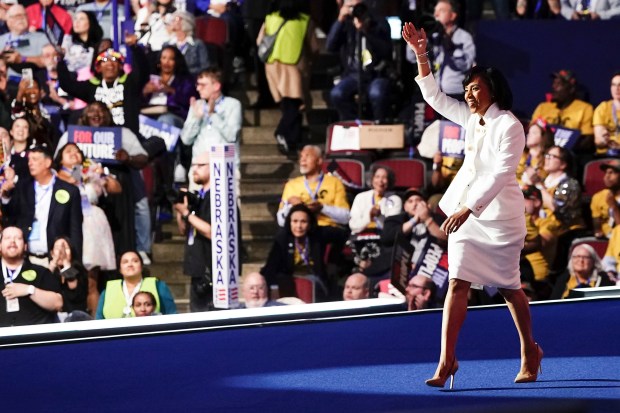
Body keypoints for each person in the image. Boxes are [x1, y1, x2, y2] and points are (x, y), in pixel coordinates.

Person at [403, 22, 542, 388]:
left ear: (492, 90)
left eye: (474, 87)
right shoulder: (471, 118)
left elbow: (500, 174)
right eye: (465, 88)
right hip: (464, 216)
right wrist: (421, 53)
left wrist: (469, 208)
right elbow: (433, 97)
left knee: (511, 289)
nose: (467, 93)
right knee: (457, 283)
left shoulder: (509, 126)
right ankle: (447, 361)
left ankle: (530, 351)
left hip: (499, 217)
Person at [55, 102, 150, 261]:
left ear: (109, 115)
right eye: (92, 110)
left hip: (115, 195)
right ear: (83, 116)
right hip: (78, 204)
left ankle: (137, 251)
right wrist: (78, 174)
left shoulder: (122, 133)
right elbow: (58, 164)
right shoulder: (70, 136)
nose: (97, 114)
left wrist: (128, 158)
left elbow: (143, 158)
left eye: (102, 111)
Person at [54, 142, 120, 313]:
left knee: (92, 279)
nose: (74, 154)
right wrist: (81, 171)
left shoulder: (89, 173)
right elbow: (71, 182)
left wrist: (102, 175)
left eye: (77, 151)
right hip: (71, 223)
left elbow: (117, 189)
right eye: (69, 151)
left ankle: (94, 322)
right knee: (71, 274)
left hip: (93, 223)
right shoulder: (57, 176)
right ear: (60, 158)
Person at [174, 151, 242, 312]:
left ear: (215, 168)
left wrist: (186, 214)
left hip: (214, 273)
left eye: (200, 165)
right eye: (193, 165)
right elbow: (184, 231)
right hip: (198, 271)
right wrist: (180, 211)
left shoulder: (219, 197)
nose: (194, 170)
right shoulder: (199, 197)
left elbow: (215, 232)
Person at [1, 145, 83, 265]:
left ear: (48, 162)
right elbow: (10, 216)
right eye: (29, 160)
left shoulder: (70, 191)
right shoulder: (22, 187)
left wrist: (75, 263)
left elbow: (75, 230)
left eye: (35, 159)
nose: (30, 163)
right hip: (25, 259)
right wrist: (6, 195)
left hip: (55, 260)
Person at [257, 0, 318, 154]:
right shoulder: (305, 20)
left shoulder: (271, 17)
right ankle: (282, 131)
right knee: (294, 103)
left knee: (287, 104)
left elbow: (259, 41)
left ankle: (292, 141)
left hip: (272, 65)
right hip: (293, 65)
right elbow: (314, 47)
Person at [326, 1, 393, 123]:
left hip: (376, 73)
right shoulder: (346, 24)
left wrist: (367, 31)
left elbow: (386, 50)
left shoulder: (379, 23)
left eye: (358, 6)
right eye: (350, 7)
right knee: (337, 94)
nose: (355, 10)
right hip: (353, 73)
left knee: (377, 93)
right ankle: (353, 124)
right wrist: (340, 20)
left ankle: (378, 126)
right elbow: (330, 46)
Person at [180, 67, 241, 185]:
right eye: (197, 84)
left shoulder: (233, 105)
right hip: (200, 169)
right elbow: (186, 139)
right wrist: (197, 118)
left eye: (203, 85)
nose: (198, 88)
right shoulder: (197, 105)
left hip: (225, 168)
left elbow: (232, 136)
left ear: (216, 86)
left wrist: (212, 115)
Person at [406, 0, 475, 99]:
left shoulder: (463, 37)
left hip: (456, 95)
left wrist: (451, 49)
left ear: (452, 16)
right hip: (433, 93)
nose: (436, 15)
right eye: (435, 11)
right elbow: (411, 58)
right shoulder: (432, 36)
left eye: (441, 11)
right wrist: (415, 44)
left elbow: (466, 65)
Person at [262, 203, 330, 299]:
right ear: (289, 223)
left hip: (315, 283)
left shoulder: (317, 236)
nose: (299, 226)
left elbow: (341, 234)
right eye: (295, 221)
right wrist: (274, 288)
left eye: (303, 221)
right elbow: (270, 268)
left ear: (310, 224)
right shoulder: (282, 238)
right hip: (288, 283)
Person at [0, 226, 63, 327]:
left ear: (25, 246)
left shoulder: (41, 272)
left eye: (18, 238)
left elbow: (57, 303)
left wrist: (30, 290)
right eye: (7, 238)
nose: (12, 241)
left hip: (35, 337)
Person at [277, 145, 350, 229]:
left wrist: (322, 208)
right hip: (300, 229)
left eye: (307, 156)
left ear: (319, 161)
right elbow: (281, 221)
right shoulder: (291, 185)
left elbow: (345, 218)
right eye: (301, 157)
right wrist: (294, 207)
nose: (302, 160)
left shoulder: (334, 182)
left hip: (326, 228)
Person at [348, 164, 402, 271]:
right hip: (360, 237)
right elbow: (353, 225)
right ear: (372, 179)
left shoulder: (395, 200)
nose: (380, 181)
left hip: (382, 238)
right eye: (377, 177)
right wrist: (369, 216)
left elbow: (390, 229)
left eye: (384, 177)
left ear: (389, 181)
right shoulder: (360, 197)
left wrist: (379, 216)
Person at [96, 250, 177, 319]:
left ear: (141, 266)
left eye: (135, 261)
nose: (130, 264)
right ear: (120, 269)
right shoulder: (108, 291)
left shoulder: (158, 286)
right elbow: (99, 319)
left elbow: (172, 315)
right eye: (125, 262)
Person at [530, 70, 594, 155]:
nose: (554, 87)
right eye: (554, 83)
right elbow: (531, 133)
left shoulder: (585, 108)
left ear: (571, 89)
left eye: (559, 84)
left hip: (569, 156)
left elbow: (587, 140)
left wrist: (563, 153)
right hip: (540, 153)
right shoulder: (543, 107)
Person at [550, 244, 615, 299]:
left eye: (585, 257)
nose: (581, 260)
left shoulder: (604, 280)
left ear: (593, 261)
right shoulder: (563, 279)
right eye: (577, 256)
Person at [0, 4, 49, 76]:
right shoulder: (1, 40)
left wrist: (23, 59)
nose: (21, 19)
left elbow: (49, 61)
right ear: (8, 21)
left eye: (23, 15)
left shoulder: (40, 37)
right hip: (6, 81)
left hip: (32, 80)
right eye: (17, 16)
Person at [166, 10, 214, 77]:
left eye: (176, 19)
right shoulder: (167, 45)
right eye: (172, 19)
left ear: (186, 22)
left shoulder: (197, 44)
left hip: (192, 79)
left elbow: (205, 67)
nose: (173, 22)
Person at [48, 236, 88, 315]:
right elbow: (44, 282)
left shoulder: (79, 271)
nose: (61, 252)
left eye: (65, 248)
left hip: (75, 315)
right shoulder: (50, 272)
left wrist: (66, 262)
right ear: (52, 253)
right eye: (57, 248)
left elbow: (74, 290)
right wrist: (54, 262)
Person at [590, 159, 620, 239]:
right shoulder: (598, 197)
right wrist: (598, 232)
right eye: (606, 172)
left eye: (612, 172)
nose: (607, 176)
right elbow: (597, 224)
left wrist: (614, 207)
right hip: (605, 238)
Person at [592, 72, 620, 157]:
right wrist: (604, 140)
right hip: (606, 155)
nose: (617, 89)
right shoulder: (603, 108)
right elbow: (599, 141)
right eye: (614, 85)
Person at [517, 122, 552, 187]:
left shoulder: (547, 161)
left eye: (534, 133)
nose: (529, 135)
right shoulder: (519, 154)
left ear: (543, 137)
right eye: (529, 132)